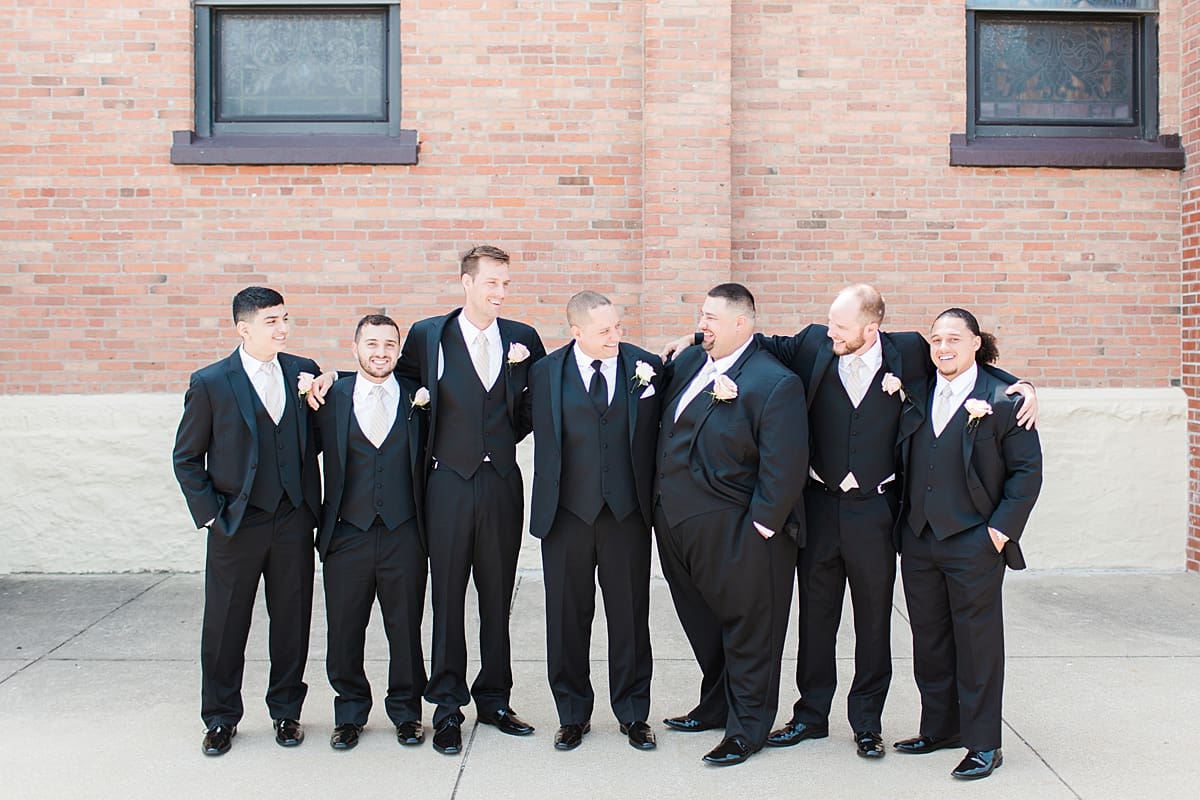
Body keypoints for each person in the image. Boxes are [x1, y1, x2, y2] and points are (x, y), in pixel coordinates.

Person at [661, 284, 1036, 759]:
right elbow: (752, 340)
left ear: (871, 328)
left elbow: (963, 365)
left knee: (872, 621)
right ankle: (810, 715)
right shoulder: (815, 343)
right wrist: (693, 340)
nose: (831, 332)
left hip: (875, 511)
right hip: (819, 504)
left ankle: (866, 723)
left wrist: (1020, 387)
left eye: (841, 326)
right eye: (830, 324)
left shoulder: (910, 351)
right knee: (816, 618)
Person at [309, 245, 546, 755]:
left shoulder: (523, 339)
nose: (501, 293)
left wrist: (499, 443)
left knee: (497, 598)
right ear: (466, 282)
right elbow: (388, 379)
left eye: (506, 284)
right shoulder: (428, 334)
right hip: (444, 486)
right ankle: (445, 707)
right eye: (492, 283)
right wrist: (336, 377)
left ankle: (496, 699)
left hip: (502, 484)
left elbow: (533, 406)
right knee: (446, 599)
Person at [655, 283, 809, 767]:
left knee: (750, 632)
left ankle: (747, 728)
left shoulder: (773, 381)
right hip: (678, 526)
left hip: (741, 533)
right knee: (703, 624)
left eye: (711, 318)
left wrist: (761, 529)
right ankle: (716, 704)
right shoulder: (688, 364)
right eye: (700, 315)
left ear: (742, 324)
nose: (702, 325)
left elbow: (784, 464)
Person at [892, 308, 1042, 780]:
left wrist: (997, 532)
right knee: (929, 640)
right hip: (919, 539)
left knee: (977, 645)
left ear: (977, 343)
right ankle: (940, 727)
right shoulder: (916, 390)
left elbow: (1026, 473)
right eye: (936, 339)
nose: (943, 347)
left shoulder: (1002, 398)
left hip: (973, 540)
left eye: (954, 338)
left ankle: (983, 743)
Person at [172, 286, 321, 756]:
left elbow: (315, 436)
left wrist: (330, 383)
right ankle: (219, 718)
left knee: (292, 621)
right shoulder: (212, 382)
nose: (283, 328)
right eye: (272, 321)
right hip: (236, 524)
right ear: (244, 328)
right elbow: (187, 458)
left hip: (292, 519)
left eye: (285, 319)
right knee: (224, 624)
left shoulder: (303, 372)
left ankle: (286, 712)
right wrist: (212, 518)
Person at [527, 291, 662, 752]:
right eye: (605, 331)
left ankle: (633, 713)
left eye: (618, 327)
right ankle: (571, 714)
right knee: (566, 618)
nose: (615, 337)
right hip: (564, 516)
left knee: (629, 618)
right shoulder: (544, 373)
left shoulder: (646, 368)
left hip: (626, 516)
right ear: (576, 332)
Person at [311, 314, 429, 751]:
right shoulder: (331, 397)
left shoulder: (420, 397)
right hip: (347, 533)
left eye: (389, 345)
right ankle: (349, 712)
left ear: (399, 350)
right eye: (372, 344)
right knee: (344, 629)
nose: (381, 353)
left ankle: (406, 712)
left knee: (405, 628)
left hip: (405, 532)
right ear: (355, 347)